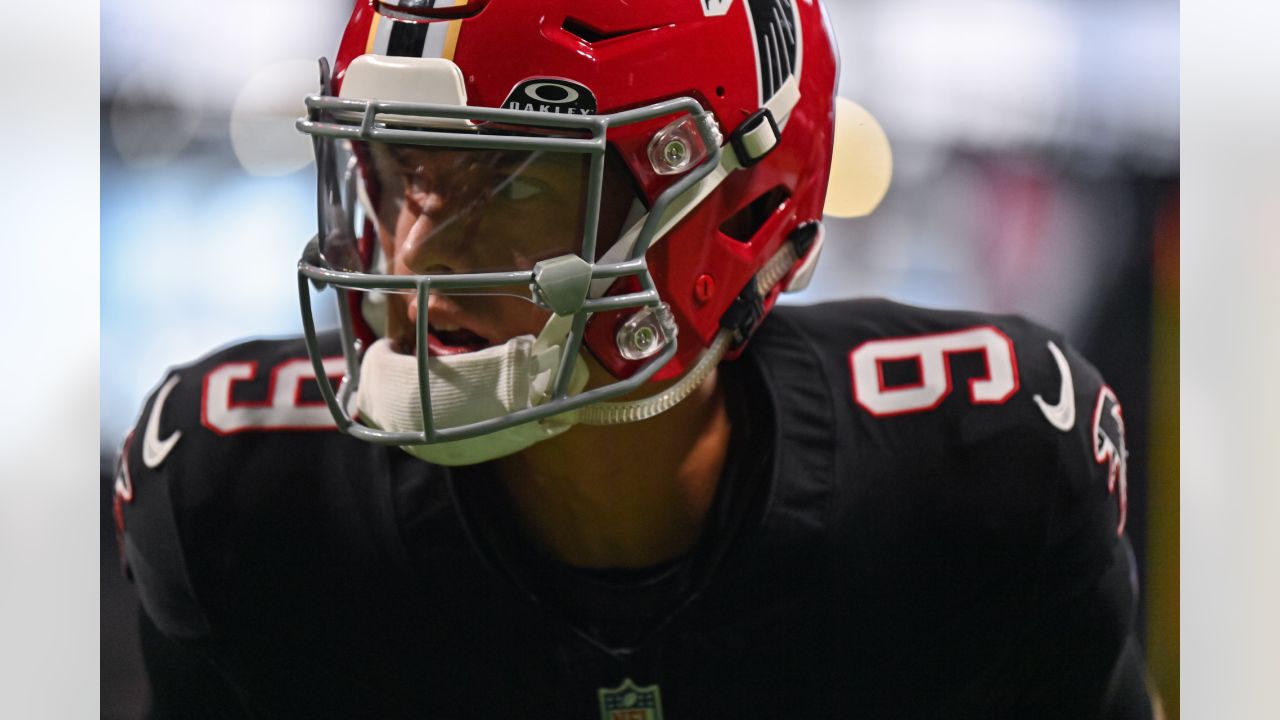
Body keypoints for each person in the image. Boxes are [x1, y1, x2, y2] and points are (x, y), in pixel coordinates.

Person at [114, 0, 1156, 717]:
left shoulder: (986, 473)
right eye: (396, 169)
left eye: (510, 181)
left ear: (736, 209)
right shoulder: (235, 499)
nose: (411, 254)